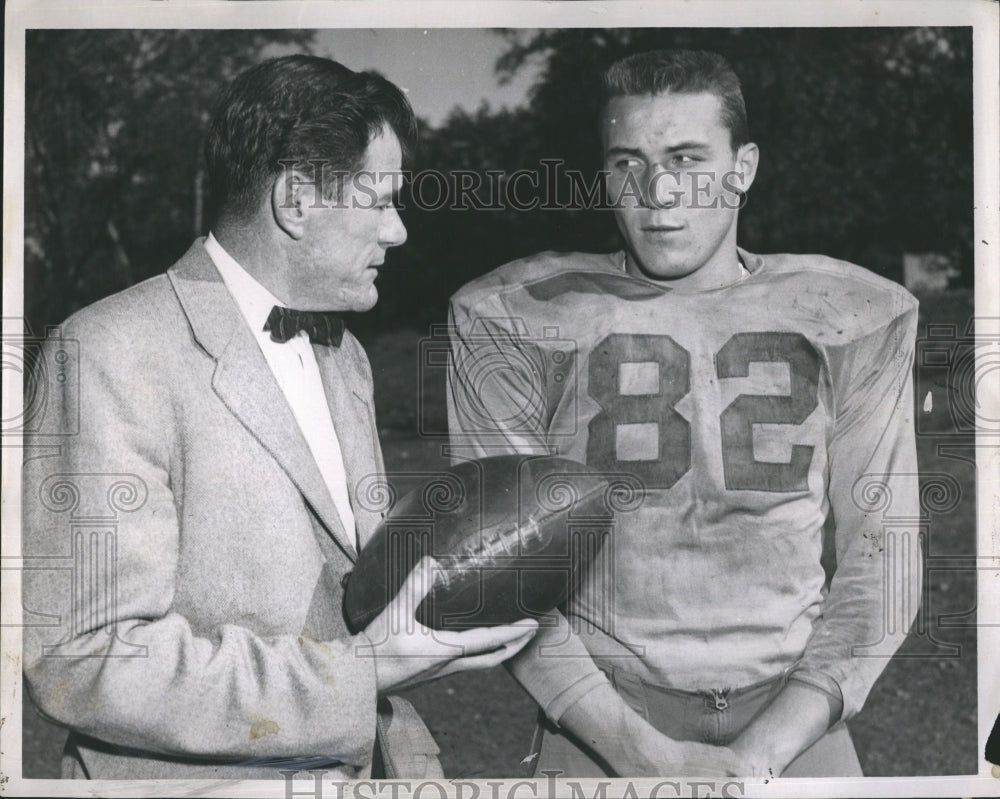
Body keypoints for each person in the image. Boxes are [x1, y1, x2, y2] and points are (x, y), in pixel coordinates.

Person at [22, 54, 537, 780]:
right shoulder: (108, 350)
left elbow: (350, 594)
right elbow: (82, 655)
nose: (399, 232)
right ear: (296, 200)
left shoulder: (345, 355)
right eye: (380, 199)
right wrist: (364, 672)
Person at [447, 49, 921, 778]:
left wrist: (761, 752)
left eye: (687, 158)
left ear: (744, 167)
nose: (658, 190)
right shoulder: (515, 316)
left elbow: (884, 558)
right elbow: (505, 572)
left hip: (791, 707)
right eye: (628, 162)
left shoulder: (851, 312)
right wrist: (643, 753)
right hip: (602, 711)